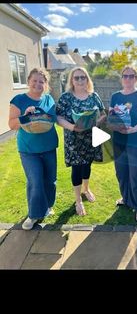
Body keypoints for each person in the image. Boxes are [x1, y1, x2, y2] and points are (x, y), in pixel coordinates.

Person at [8, 68, 58, 230]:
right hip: (29, 150)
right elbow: (12, 124)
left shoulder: (49, 99)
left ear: (46, 84)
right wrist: (25, 115)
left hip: (49, 146)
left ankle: (48, 206)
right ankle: (34, 215)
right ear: (28, 81)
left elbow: (55, 119)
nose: (37, 84)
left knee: (50, 181)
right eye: (34, 80)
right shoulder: (19, 100)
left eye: (41, 81)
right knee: (35, 181)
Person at [56, 67, 106, 216]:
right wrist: (72, 127)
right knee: (76, 169)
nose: (79, 80)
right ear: (71, 80)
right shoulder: (66, 97)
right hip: (73, 140)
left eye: (82, 77)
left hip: (90, 139)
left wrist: (96, 122)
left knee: (87, 165)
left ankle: (86, 189)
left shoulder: (93, 96)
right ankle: (78, 200)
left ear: (87, 79)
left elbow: (103, 114)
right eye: (76, 78)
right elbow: (58, 117)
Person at [108, 66, 137, 223]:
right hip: (119, 141)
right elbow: (112, 118)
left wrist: (132, 130)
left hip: (136, 141)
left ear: (136, 78)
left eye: (131, 76)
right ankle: (126, 198)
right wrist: (114, 125)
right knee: (122, 173)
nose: (128, 79)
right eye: (125, 76)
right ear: (121, 78)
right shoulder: (115, 96)